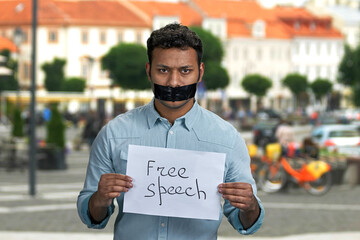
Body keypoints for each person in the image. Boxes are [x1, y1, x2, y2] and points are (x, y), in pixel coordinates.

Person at [77, 23, 264, 239]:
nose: (174, 82)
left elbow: (247, 223)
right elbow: (91, 215)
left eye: (185, 71)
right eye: (163, 70)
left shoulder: (227, 138)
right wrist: (100, 198)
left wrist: (249, 206)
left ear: (200, 72)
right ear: (149, 71)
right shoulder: (114, 134)